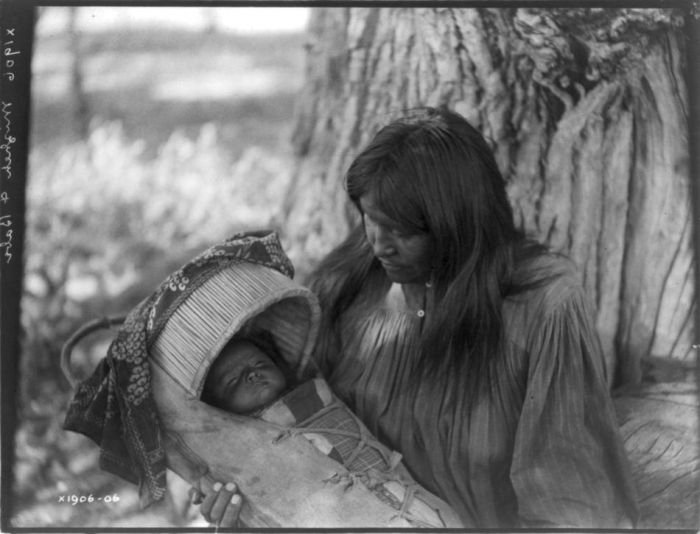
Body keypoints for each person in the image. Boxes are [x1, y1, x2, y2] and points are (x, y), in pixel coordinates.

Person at [205, 106, 639, 528]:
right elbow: (291, 436)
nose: (378, 245)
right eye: (370, 219)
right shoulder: (348, 286)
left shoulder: (542, 304)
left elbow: (571, 499)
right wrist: (242, 501)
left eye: (402, 230)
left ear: (456, 224)